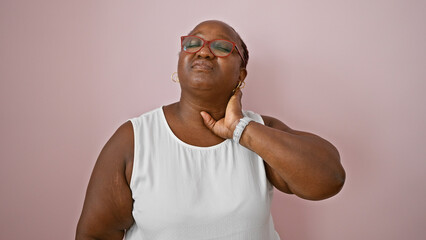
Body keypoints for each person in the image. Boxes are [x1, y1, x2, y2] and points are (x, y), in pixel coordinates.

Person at [76, 20, 345, 240]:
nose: (203, 52)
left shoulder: (261, 132)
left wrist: (242, 130)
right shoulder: (135, 138)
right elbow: (95, 235)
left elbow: (330, 177)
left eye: (221, 47)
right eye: (193, 43)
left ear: (241, 76)